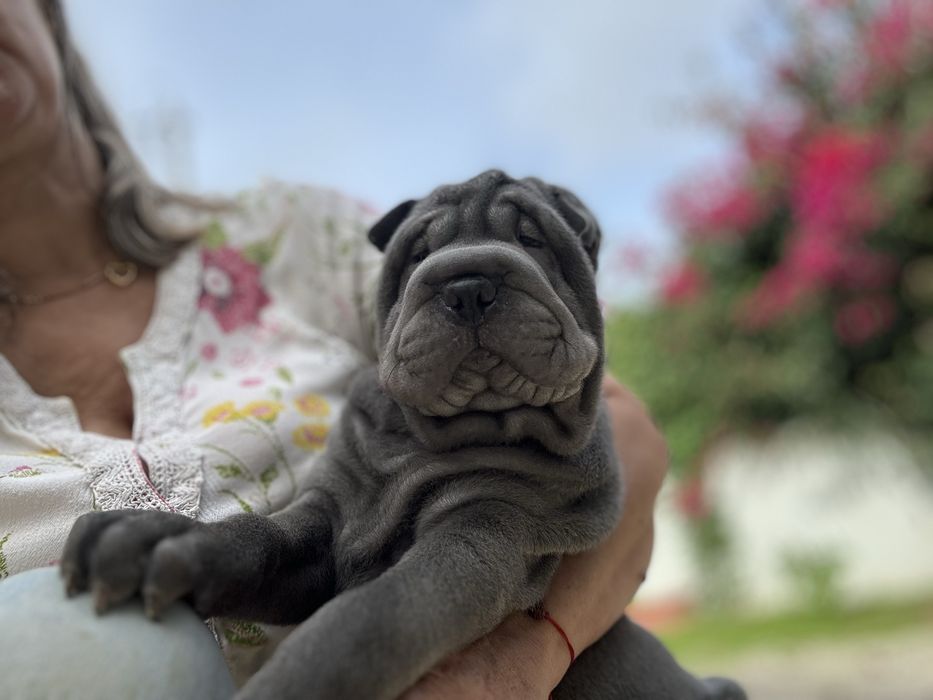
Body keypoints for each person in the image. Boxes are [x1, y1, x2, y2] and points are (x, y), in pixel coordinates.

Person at [0, 0, 668, 697]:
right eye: (423, 259)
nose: (467, 289)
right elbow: (313, 547)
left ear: (48, 13)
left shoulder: (300, 240)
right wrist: (208, 557)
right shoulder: (377, 424)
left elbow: (623, 432)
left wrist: (523, 659)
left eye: (528, 241)